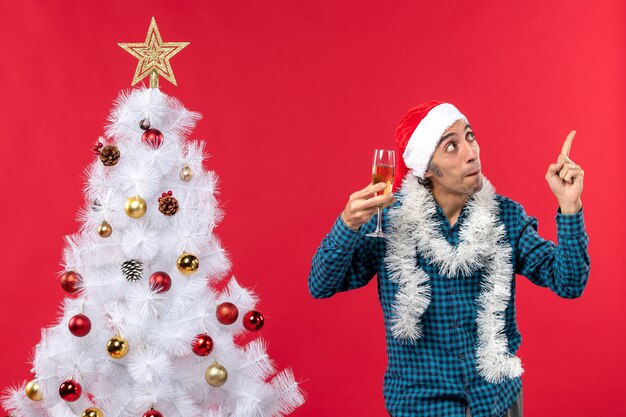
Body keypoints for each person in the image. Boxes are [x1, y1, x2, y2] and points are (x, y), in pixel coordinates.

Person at [308, 101, 590, 417]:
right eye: (452, 146)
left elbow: (570, 282)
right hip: (422, 407)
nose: (471, 152)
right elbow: (320, 285)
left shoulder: (505, 217)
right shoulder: (388, 223)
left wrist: (570, 206)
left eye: (470, 137)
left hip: (497, 402)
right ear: (427, 167)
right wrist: (347, 225)